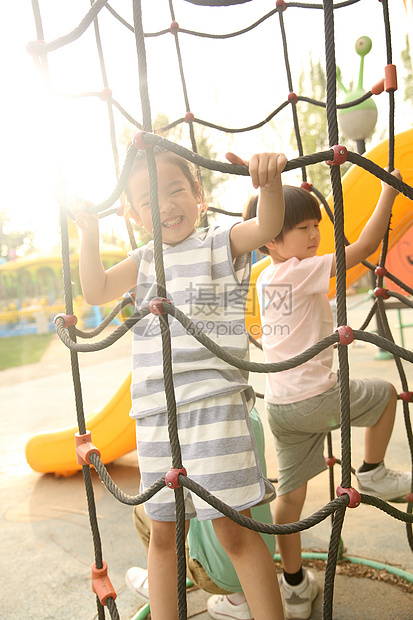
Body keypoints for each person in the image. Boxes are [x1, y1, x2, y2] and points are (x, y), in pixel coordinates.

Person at [74, 144, 287, 620]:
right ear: (133, 214)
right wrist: (88, 234)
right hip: (154, 414)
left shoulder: (219, 241)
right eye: (150, 199)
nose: (166, 205)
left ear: (199, 195)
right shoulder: (142, 260)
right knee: (165, 533)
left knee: (236, 530)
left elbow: (267, 226)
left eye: (176, 191)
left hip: (214, 408)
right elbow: (94, 290)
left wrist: (268, 184)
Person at [243, 174, 412, 620]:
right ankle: (372, 472)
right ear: (273, 241)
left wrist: (277, 198)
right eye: (303, 228)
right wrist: (387, 193)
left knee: (292, 498)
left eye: (316, 224)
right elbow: (365, 247)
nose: (315, 234)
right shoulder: (302, 269)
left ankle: (294, 585)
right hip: (316, 397)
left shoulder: (267, 277)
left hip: (281, 406)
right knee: (386, 395)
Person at [126, 406, 276, 620]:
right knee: (236, 526)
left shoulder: (172, 423)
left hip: (210, 573)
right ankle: (240, 598)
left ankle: (161, 584)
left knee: (151, 519)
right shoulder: (244, 413)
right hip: (261, 563)